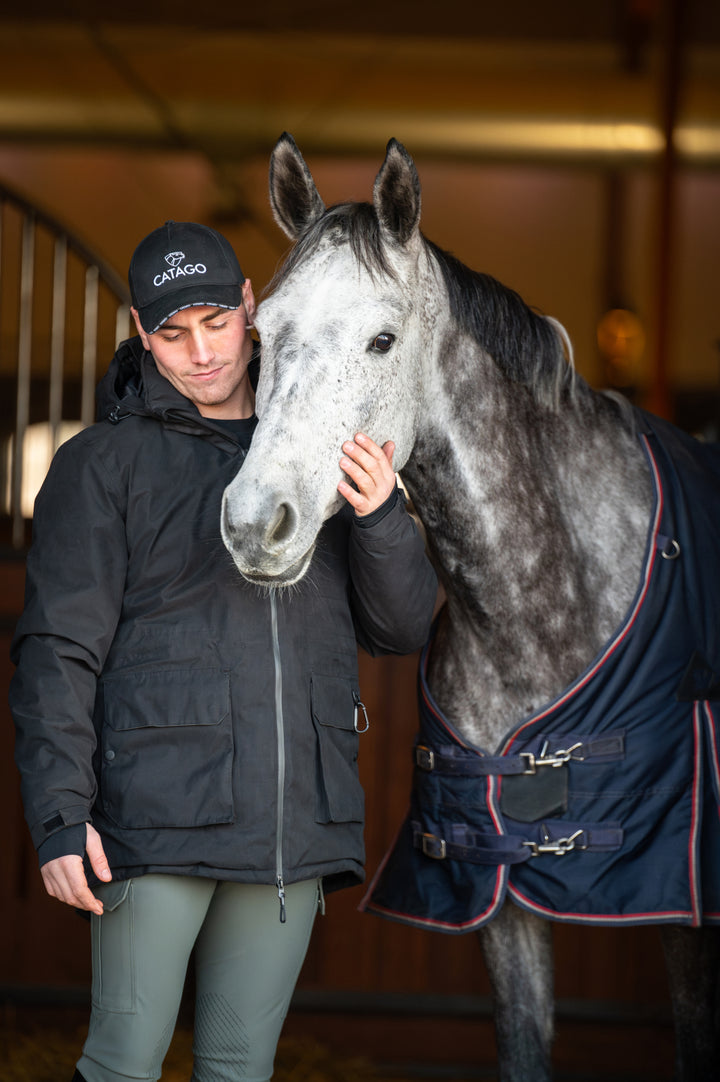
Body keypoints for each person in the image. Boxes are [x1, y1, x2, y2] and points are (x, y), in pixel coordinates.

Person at [9, 220, 437, 1082]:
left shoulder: (313, 455)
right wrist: (60, 818)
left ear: (251, 308)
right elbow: (58, 652)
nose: (201, 353)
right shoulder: (103, 466)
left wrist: (383, 515)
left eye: (216, 321)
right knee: (123, 1063)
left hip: (287, 828)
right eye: (173, 333)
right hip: (154, 826)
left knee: (240, 1070)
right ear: (142, 331)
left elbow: (400, 630)